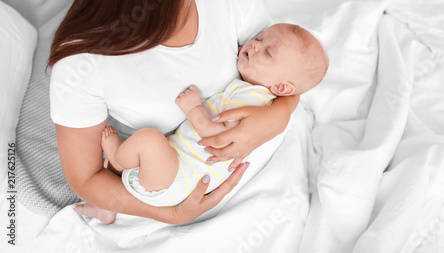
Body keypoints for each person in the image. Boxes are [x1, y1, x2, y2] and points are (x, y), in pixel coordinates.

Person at [47, 0, 301, 225]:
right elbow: (86, 179)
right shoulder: (83, 64)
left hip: (265, 172)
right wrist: (173, 215)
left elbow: (286, 70)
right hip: (173, 184)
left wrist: (278, 116)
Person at [88, 23, 329, 223]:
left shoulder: (254, 100)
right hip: (174, 171)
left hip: (176, 180)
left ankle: (117, 157)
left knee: (149, 140)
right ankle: (107, 210)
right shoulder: (257, 93)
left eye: (267, 52)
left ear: (282, 88)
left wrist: (194, 108)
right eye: (258, 37)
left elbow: (217, 136)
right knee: (149, 149)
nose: (254, 44)